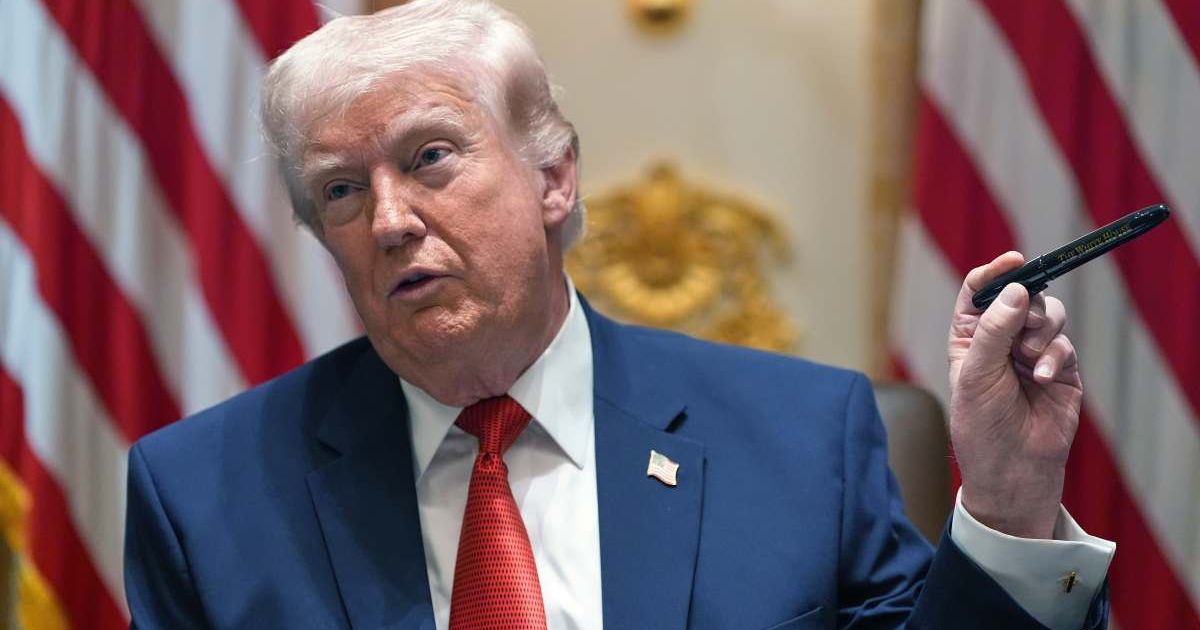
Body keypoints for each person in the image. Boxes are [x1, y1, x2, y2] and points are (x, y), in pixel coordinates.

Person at [123, 1, 1114, 628]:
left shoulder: (801, 439)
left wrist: (1009, 501)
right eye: (340, 192)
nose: (388, 220)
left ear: (553, 178)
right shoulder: (204, 496)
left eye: (430, 158)